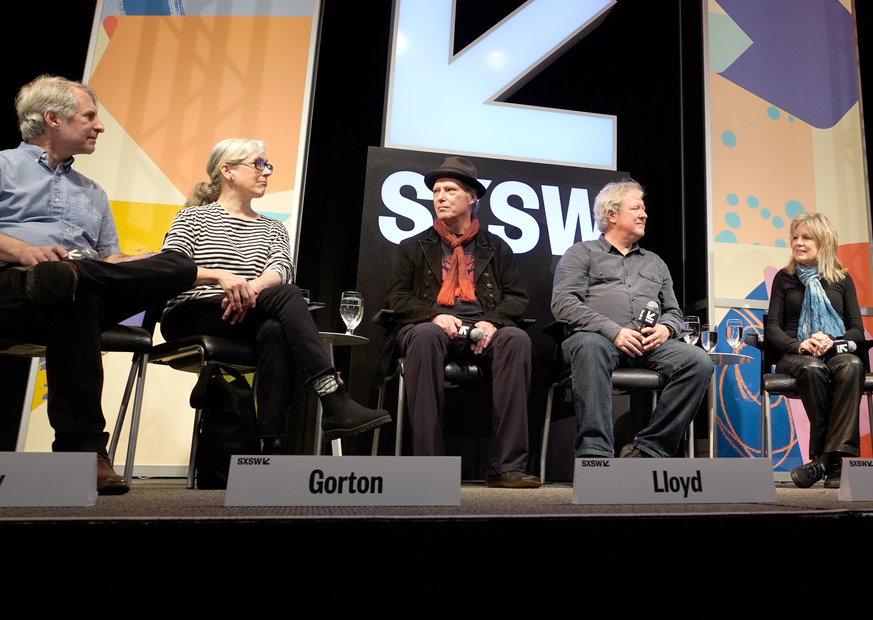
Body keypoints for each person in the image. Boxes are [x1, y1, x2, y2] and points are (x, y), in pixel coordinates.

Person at [0, 75, 198, 495]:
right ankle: (84, 451)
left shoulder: (93, 192)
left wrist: (146, 263)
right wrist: (24, 252)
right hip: (2, 283)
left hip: (76, 285)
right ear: (53, 118)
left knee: (178, 265)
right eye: (90, 116)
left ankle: (70, 276)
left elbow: (109, 262)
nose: (100, 126)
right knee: (75, 293)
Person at [159, 139, 390, 453]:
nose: (266, 172)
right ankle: (332, 397)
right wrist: (222, 277)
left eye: (268, 165)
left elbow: (281, 268)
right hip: (192, 313)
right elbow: (171, 268)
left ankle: (271, 446)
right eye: (258, 164)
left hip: (247, 313)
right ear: (227, 171)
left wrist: (249, 289)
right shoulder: (193, 218)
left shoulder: (273, 228)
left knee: (273, 329)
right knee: (288, 296)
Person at [383, 156, 539, 488]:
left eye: (449, 190)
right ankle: (429, 468)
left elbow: (517, 297)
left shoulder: (496, 247)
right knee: (425, 335)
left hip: (481, 329)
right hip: (432, 328)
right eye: (436, 191)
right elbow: (396, 297)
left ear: (472, 197)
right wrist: (434, 315)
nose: (439, 197)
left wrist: (493, 322)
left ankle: (506, 467)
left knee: (517, 340)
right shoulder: (414, 246)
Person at [552, 180, 713, 459]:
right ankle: (596, 453)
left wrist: (666, 329)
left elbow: (674, 312)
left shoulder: (655, 262)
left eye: (644, 209)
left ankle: (650, 450)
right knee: (590, 345)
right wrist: (613, 332)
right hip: (598, 341)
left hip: (649, 346)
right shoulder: (581, 253)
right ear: (611, 214)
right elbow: (563, 303)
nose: (644, 214)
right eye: (636, 208)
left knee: (698, 361)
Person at [763, 212, 866, 489]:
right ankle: (833, 463)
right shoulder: (784, 278)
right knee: (812, 368)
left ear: (824, 242)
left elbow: (856, 330)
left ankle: (823, 463)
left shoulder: (842, 279)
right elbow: (773, 328)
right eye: (795, 237)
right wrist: (799, 344)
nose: (798, 243)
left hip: (833, 351)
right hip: (795, 355)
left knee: (852, 364)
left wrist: (833, 342)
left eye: (806, 237)